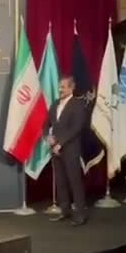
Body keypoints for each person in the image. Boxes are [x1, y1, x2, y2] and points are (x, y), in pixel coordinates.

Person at [45, 77, 87, 226]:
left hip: (70, 150)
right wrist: (47, 137)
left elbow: (76, 127)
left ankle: (80, 214)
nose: (60, 90)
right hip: (55, 150)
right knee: (61, 182)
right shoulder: (55, 104)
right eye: (59, 87)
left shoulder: (78, 104)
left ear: (71, 87)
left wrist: (60, 143)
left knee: (74, 182)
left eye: (63, 87)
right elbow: (46, 123)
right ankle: (65, 211)